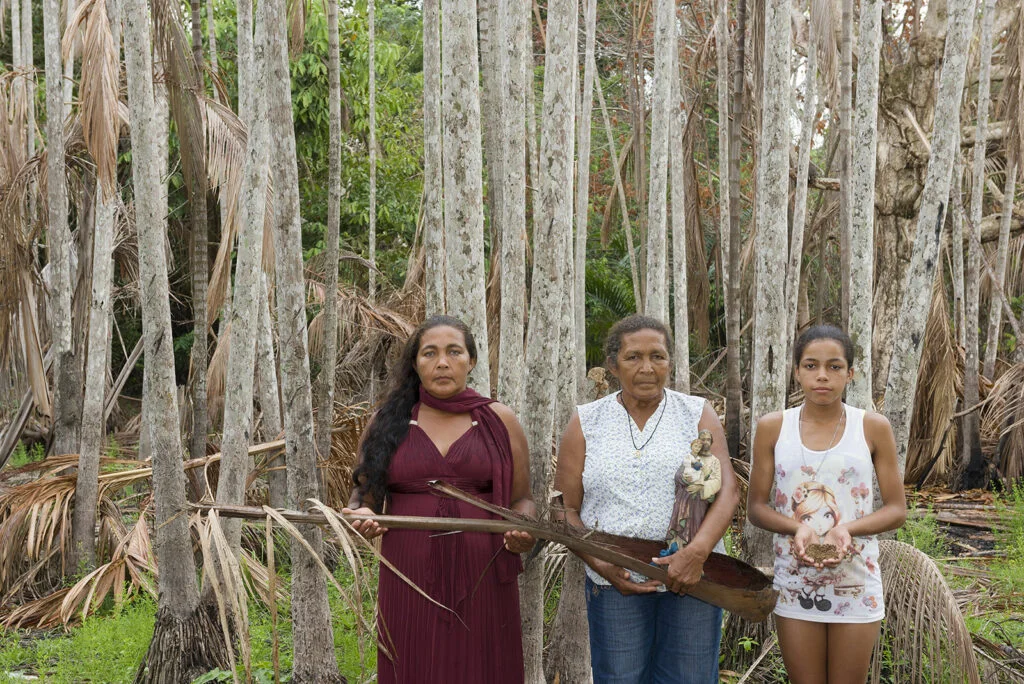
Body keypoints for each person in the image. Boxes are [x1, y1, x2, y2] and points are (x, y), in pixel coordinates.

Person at [343, 315, 535, 684]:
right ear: (416, 364)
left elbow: (523, 500)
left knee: (484, 666)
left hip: (485, 575)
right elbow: (363, 497)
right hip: (408, 573)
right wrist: (361, 515)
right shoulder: (390, 420)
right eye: (429, 353)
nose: (442, 362)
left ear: (472, 361)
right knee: (415, 662)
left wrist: (522, 530)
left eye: (454, 352)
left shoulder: (500, 420)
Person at [554, 314, 740, 684]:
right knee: (620, 678)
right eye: (633, 357)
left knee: (690, 678)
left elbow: (728, 491)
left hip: (694, 578)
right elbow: (565, 509)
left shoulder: (695, 412)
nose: (646, 368)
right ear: (612, 365)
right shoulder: (587, 421)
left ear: (670, 362)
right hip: (614, 583)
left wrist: (696, 553)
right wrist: (601, 564)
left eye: (658, 357)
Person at [747, 325, 907, 684]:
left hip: (857, 580)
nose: (822, 375)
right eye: (811, 365)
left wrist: (845, 529)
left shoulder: (872, 427)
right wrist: (797, 527)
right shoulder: (773, 428)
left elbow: (897, 509)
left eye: (834, 366)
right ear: (797, 371)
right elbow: (756, 508)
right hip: (795, 579)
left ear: (851, 373)